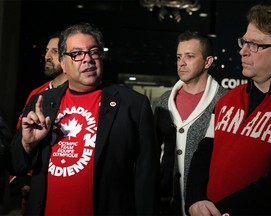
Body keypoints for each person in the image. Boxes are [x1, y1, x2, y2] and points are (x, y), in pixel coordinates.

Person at [8, 22, 158, 215]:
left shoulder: (133, 105)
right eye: (77, 54)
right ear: (63, 63)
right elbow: (14, 164)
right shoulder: (42, 102)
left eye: (94, 52)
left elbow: (147, 177)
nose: (88, 59)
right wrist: (27, 145)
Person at [185, 1, 271, 215]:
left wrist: (223, 210)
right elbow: (204, 153)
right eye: (244, 42)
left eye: (256, 45)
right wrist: (195, 199)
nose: (243, 51)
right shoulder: (227, 100)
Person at [154, 30, 227, 215]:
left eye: (190, 56)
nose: (182, 62)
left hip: (206, 206)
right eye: (179, 56)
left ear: (208, 61)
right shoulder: (164, 101)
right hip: (165, 206)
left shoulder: (225, 102)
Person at [10, 31, 67, 216]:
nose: (47, 56)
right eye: (46, 50)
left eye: (54, 51)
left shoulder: (80, 95)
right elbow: (20, 137)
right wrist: (22, 178)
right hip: (35, 186)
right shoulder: (37, 93)